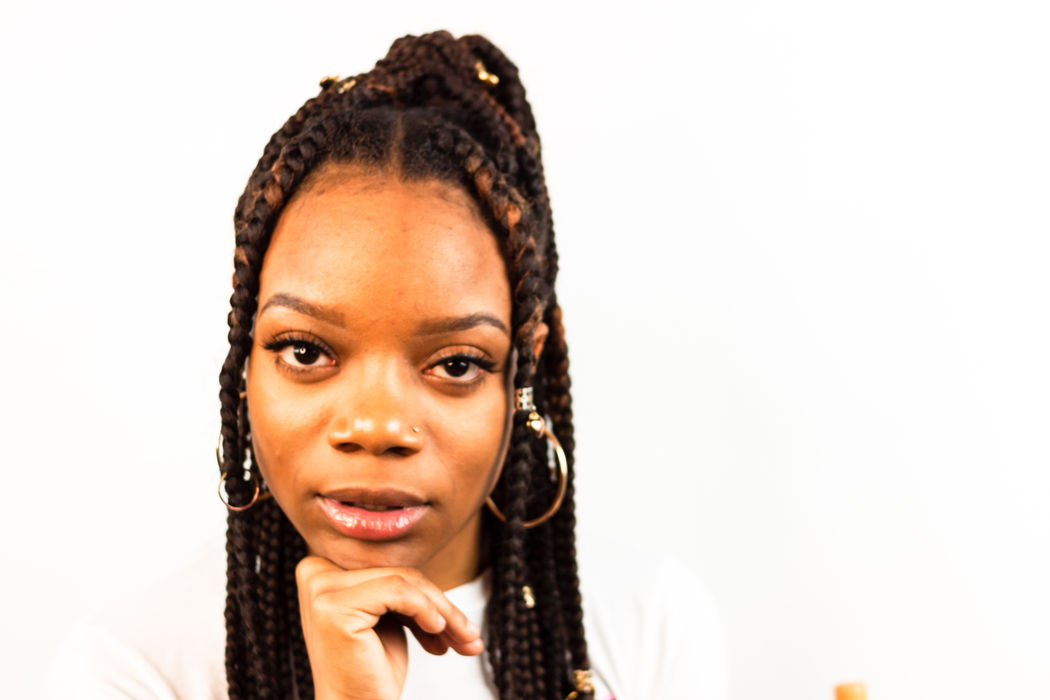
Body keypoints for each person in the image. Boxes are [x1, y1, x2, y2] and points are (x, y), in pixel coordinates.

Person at [46, 31, 730, 699]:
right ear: (246, 364)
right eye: (306, 351)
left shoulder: (650, 625)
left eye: (456, 364)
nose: (377, 427)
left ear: (523, 374)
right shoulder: (133, 671)